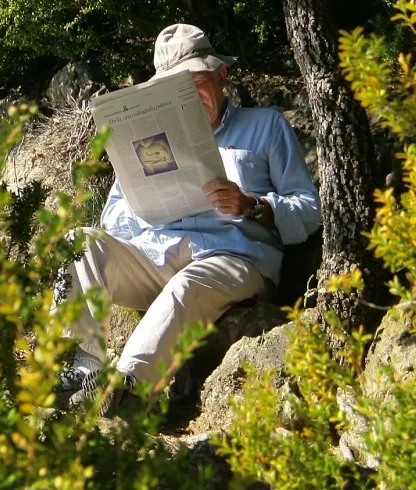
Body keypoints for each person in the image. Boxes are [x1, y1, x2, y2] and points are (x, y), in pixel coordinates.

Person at [55, 24, 321, 411]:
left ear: (221, 75)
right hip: (156, 255)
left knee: (186, 286)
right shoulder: (147, 135)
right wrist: (146, 204)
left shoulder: (265, 126)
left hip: (233, 258)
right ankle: (83, 367)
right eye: (175, 89)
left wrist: (251, 205)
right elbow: (112, 217)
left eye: (195, 82)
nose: (189, 97)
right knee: (78, 243)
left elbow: (309, 210)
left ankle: (126, 390)